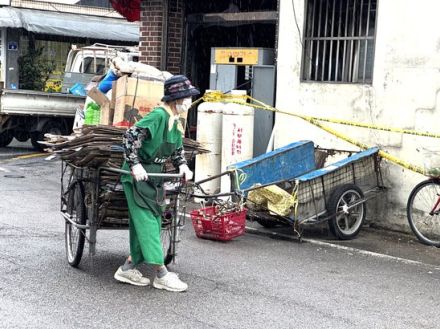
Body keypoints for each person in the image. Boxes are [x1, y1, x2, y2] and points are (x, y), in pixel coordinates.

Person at [114, 75, 200, 292]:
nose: (189, 102)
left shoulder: (175, 122)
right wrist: (134, 164)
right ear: (176, 99)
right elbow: (130, 136)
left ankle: (127, 268)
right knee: (148, 222)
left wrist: (182, 166)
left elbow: (177, 150)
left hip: (155, 177)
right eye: (187, 97)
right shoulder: (159, 115)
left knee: (151, 218)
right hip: (137, 176)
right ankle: (161, 274)